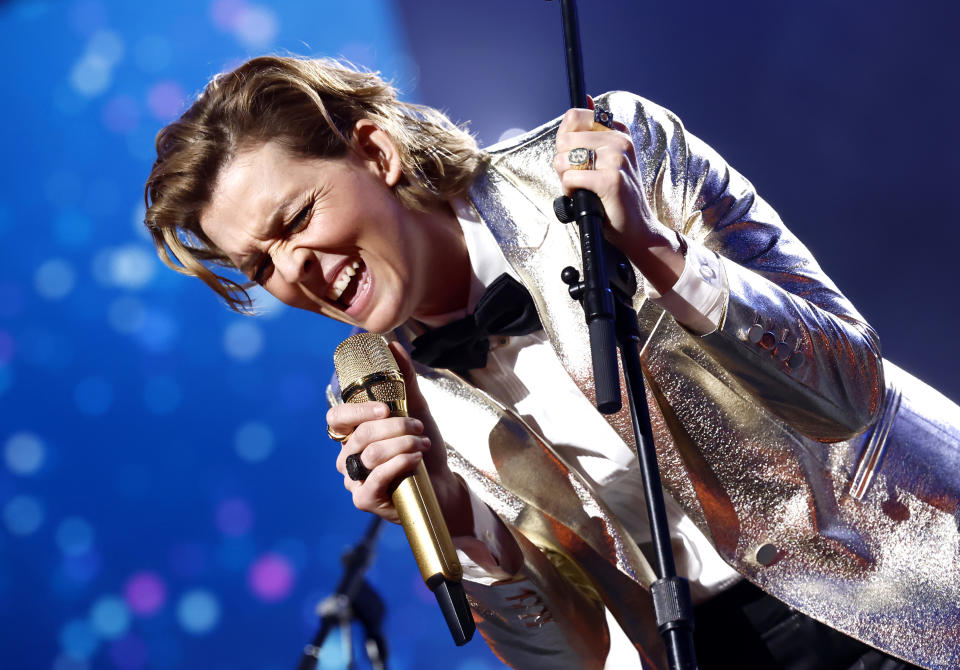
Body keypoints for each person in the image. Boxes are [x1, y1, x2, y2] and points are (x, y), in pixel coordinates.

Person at [143, 56, 959, 669]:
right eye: (260, 266)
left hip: (907, 576)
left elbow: (848, 390)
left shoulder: (608, 156)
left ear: (374, 153)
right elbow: (575, 657)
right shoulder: (378, 391)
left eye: (295, 219)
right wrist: (458, 524)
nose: (295, 270)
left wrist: (655, 251)